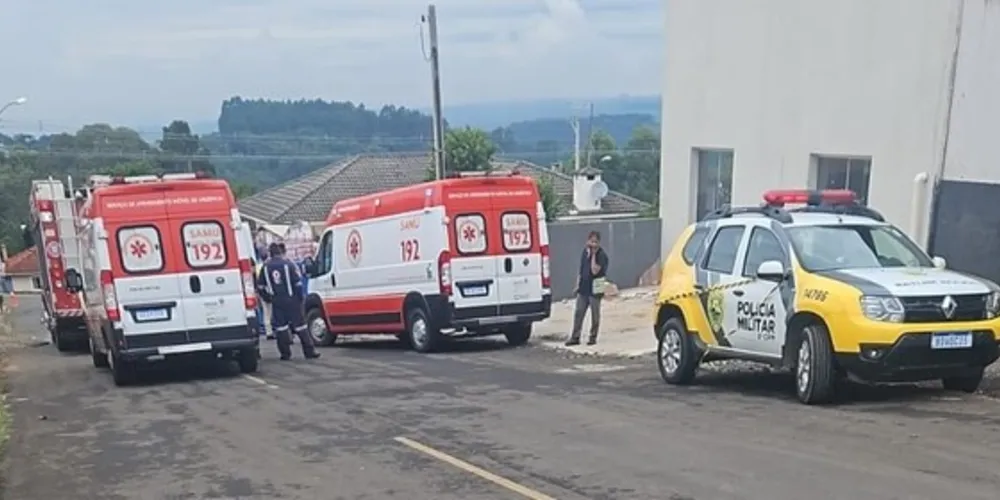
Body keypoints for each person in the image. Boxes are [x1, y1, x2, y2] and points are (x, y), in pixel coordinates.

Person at [257, 242, 319, 360]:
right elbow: (298, 284)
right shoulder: (289, 265)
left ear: (270, 253)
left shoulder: (265, 267)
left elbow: (260, 286)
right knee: (301, 326)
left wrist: (267, 298)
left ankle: (285, 353)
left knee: (281, 328)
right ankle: (309, 351)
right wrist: (300, 298)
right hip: (292, 300)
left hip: (277, 301)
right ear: (281, 252)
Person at [566, 231, 610, 346]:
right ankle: (575, 336)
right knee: (579, 313)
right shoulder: (584, 253)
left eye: (595, 242)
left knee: (595, 314)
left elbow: (594, 270)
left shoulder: (602, 255)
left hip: (595, 288)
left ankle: (593, 337)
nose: (593, 244)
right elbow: (581, 270)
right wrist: (577, 285)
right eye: (591, 241)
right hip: (584, 288)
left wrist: (594, 255)